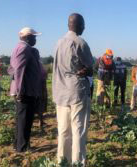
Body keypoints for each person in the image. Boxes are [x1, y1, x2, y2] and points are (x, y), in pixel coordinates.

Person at [53, 13, 94, 164]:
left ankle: (62, 162)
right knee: (78, 131)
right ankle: (77, 163)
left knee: (63, 131)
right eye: (83, 25)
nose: (84, 28)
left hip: (60, 92)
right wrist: (85, 70)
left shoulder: (58, 42)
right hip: (77, 91)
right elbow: (90, 67)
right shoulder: (79, 42)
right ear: (80, 26)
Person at [8, 27, 42, 152]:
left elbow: (12, 69)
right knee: (24, 119)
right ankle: (22, 148)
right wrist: (19, 90)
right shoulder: (24, 48)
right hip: (25, 90)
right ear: (28, 37)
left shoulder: (23, 48)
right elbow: (18, 69)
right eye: (34, 37)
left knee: (22, 118)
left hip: (26, 89)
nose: (35, 39)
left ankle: (19, 145)